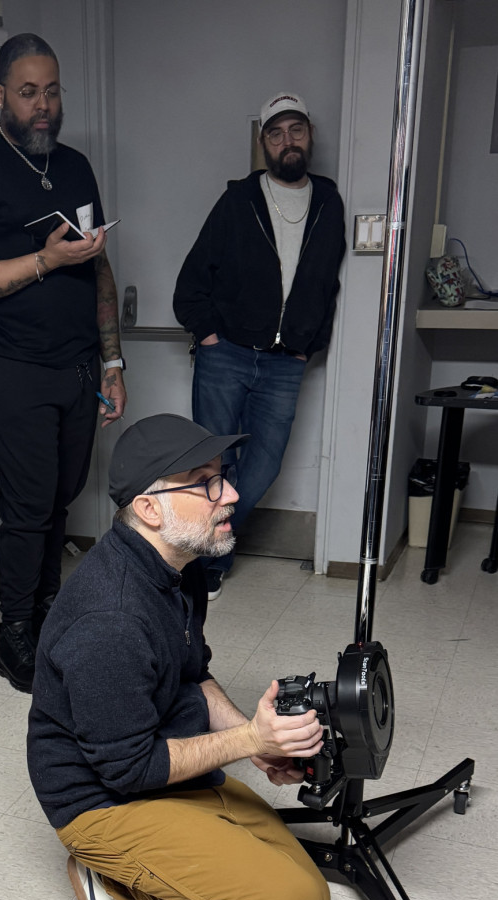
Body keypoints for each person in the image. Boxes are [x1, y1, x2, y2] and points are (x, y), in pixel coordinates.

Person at [27, 414, 330, 900]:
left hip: (169, 762)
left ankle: (146, 859)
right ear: (148, 508)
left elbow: (193, 671)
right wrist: (246, 739)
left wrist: (258, 743)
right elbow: (129, 770)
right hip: (104, 799)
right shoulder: (110, 618)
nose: (231, 494)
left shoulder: (179, 561)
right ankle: (106, 877)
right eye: (206, 482)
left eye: (224, 475)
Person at [0, 33, 125, 694]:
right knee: (27, 508)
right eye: (27, 93)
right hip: (13, 365)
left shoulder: (75, 166)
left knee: (61, 498)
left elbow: (99, 262)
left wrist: (112, 359)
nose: (42, 106)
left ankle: (48, 616)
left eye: (51, 92)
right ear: (0, 95)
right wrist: (46, 258)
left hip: (78, 364)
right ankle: (13, 637)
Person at [173, 91, 346, 598]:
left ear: (309, 136)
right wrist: (207, 335)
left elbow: (326, 284)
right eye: (276, 132)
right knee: (211, 465)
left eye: (296, 130)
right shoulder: (238, 201)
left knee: (264, 464)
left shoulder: (328, 203)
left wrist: (309, 343)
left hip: (284, 363)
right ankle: (201, 564)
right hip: (224, 353)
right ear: (263, 142)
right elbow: (191, 279)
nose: (287, 141)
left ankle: (213, 545)